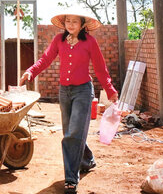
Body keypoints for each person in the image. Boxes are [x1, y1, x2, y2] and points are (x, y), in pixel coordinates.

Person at [19, 12, 119, 194]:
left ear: (82, 24)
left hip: (83, 92)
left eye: (75, 21)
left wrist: (110, 90)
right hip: (64, 92)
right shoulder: (59, 40)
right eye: (68, 21)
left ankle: (71, 179)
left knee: (73, 134)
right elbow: (46, 59)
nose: (70, 24)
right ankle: (87, 159)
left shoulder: (90, 42)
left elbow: (100, 68)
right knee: (71, 132)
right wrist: (31, 72)